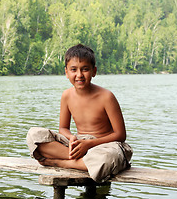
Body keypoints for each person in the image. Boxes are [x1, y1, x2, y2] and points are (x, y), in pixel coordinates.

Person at [26, 44, 132, 183]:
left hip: (105, 145)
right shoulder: (67, 96)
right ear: (66, 72)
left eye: (85, 69)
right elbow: (63, 128)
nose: (79, 75)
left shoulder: (106, 97)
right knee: (34, 135)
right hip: (79, 144)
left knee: (106, 158)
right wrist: (71, 139)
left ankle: (60, 162)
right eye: (73, 70)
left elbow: (120, 135)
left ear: (94, 71)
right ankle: (82, 162)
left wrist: (89, 145)